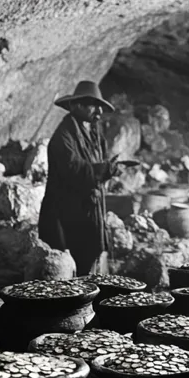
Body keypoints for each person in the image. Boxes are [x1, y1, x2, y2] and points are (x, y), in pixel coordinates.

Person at [38, 81, 120, 275]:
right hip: (67, 213)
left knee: (90, 260)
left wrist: (110, 169)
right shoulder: (63, 136)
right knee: (71, 267)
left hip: (88, 211)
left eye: (101, 107)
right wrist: (103, 169)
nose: (99, 112)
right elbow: (74, 170)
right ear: (77, 106)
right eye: (94, 105)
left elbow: (97, 164)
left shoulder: (94, 134)